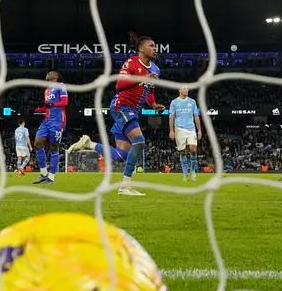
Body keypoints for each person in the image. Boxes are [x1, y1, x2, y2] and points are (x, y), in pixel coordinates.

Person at [65, 36, 164, 197]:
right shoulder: (132, 62)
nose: (155, 48)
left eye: (155, 46)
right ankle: (125, 185)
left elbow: (149, 91)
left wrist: (153, 104)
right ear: (141, 49)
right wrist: (142, 78)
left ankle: (89, 144)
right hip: (122, 106)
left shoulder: (156, 70)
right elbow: (119, 85)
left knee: (120, 155)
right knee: (139, 141)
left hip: (133, 111)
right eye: (151, 45)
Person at [31, 71, 69, 185]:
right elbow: (48, 107)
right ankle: (43, 174)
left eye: (51, 72)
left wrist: (53, 105)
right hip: (47, 120)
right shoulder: (47, 90)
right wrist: (41, 109)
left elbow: (64, 102)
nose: (48, 73)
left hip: (57, 121)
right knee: (37, 144)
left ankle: (51, 177)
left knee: (54, 148)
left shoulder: (61, 86)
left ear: (56, 76)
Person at [167, 87, 202, 181]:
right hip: (179, 129)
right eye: (184, 89)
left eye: (187, 89)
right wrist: (171, 130)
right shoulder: (174, 102)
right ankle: (185, 174)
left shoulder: (192, 101)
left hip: (191, 128)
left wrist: (199, 130)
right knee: (182, 152)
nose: (186, 90)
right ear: (179, 90)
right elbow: (171, 117)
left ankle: (193, 171)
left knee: (193, 149)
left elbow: (196, 116)